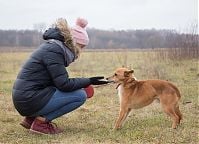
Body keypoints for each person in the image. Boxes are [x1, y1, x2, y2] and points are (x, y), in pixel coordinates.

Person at [12, 18, 109, 135]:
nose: (80, 51)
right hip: (29, 100)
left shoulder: (52, 48)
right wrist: (87, 81)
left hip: (27, 98)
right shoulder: (54, 51)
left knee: (73, 91)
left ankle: (31, 119)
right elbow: (64, 85)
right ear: (73, 42)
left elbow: (56, 82)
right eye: (81, 46)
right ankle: (41, 123)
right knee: (80, 96)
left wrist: (84, 82)